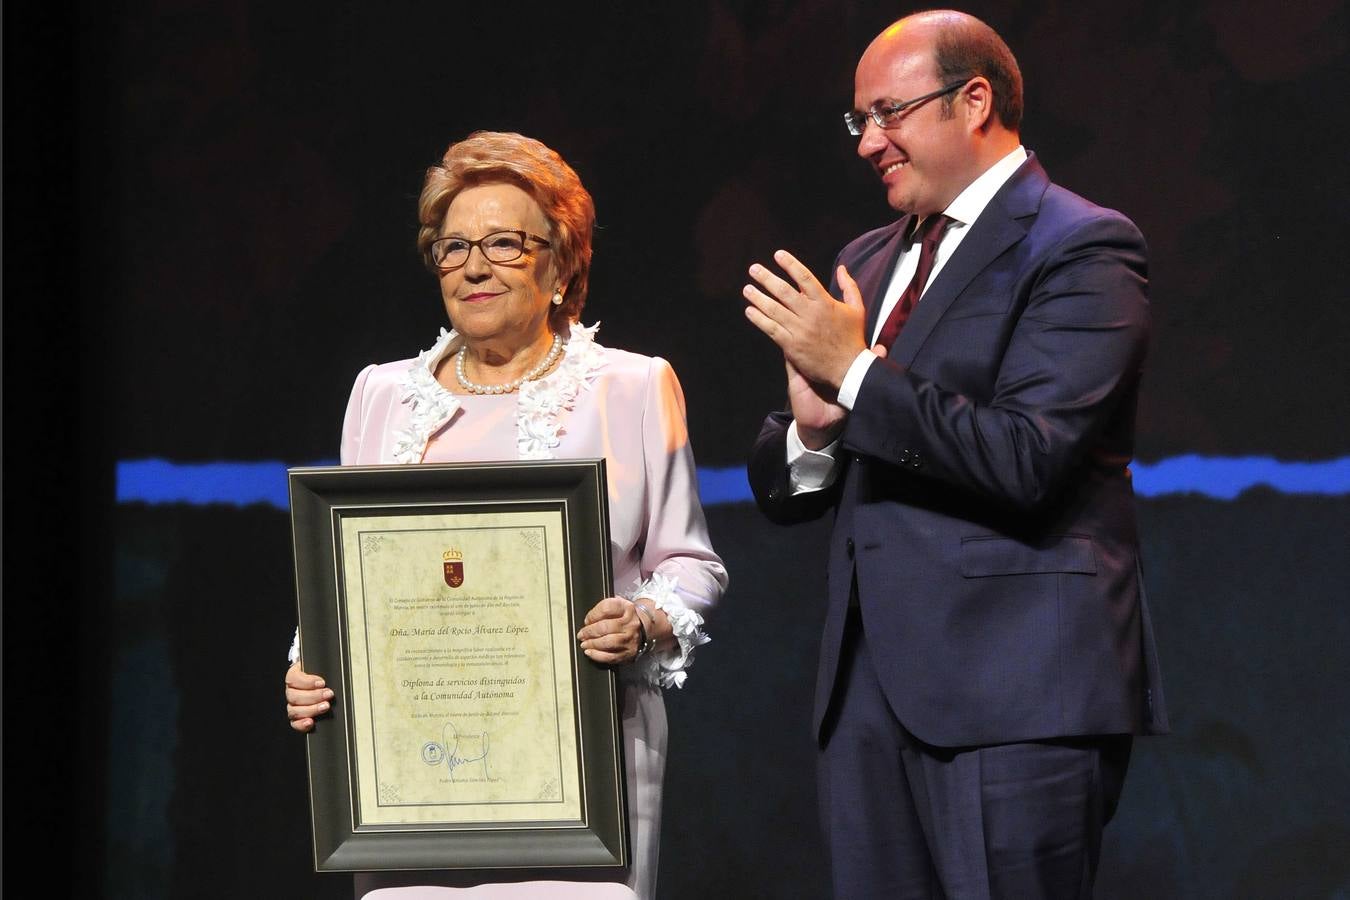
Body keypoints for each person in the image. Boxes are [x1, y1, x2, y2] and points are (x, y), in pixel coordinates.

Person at [743, 11, 1167, 899]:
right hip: (867, 700)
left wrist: (855, 374)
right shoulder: (866, 259)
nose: (868, 142)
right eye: (859, 120)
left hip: (1016, 697)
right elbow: (794, 485)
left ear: (974, 100)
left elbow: (1028, 456)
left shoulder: (1081, 244)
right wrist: (815, 431)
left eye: (888, 113)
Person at [285, 131, 727, 900]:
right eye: (453, 247)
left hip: (583, 784)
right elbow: (346, 571)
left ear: (562, 264)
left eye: (504, 244)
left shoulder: (631, 387)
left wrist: (641, 620)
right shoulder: (381, 395)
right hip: (407, 791)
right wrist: (309, 662)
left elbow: (691, 564)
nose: (474, 266)